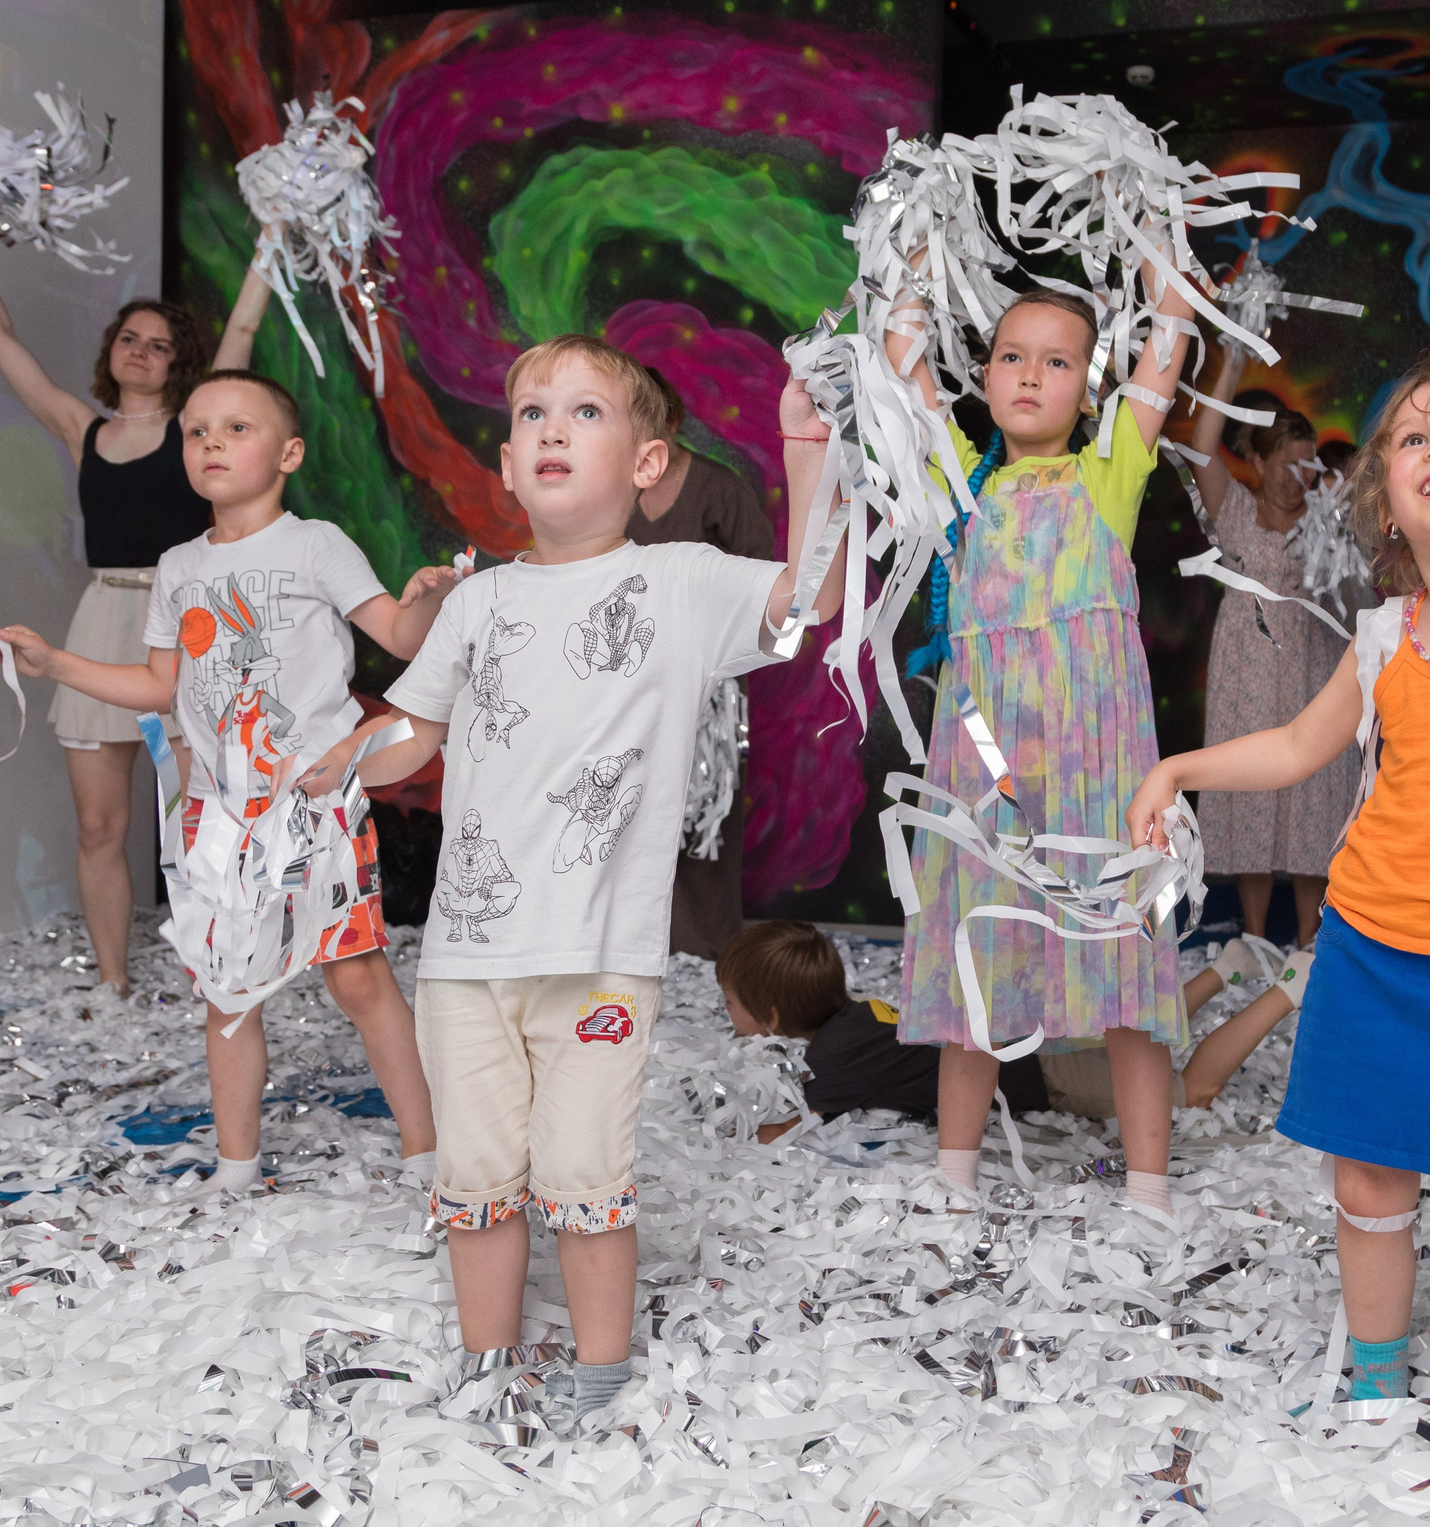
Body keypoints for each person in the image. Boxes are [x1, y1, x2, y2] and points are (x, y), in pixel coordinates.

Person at [344, 335, 846, 1431]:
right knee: (474, 1182)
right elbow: (411, 735)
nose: (552, 431)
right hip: (468, 960)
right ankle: (486, 1364)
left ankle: (602, 1376)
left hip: (604, 962)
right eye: (532, 416)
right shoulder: (476, 605)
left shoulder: (675, 583)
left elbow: (807, 595)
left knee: (585, 1176)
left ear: (648, 465)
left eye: (584, 413)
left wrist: (806, 446)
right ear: (510, 468)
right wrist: (329, 762)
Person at [1127, 357, 1430, 1452]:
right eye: (1411, 438)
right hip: (1366, 950)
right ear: (1385, 501)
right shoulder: (1383, 634)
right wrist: (1176, 770)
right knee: (1368, 1185)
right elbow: (1302, 745)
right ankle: (1374, 1388)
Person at [0, 370, 454, 1194]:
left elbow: (398, 633)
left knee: (358, 977)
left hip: (317, 803)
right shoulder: (177, 565)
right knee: (229, 994)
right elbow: (160, 685)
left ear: (289, 453)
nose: (211, 443)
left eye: (237, 428)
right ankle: (235, 1170)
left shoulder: (316, 544)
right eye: (198, 431)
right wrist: (55, 662)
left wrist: (426, 600)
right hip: (222, 818)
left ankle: (427, 1149)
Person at [889, 272, 1198, 1218]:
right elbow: (905, 371)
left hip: (1103, 769)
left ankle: (1148, 1187)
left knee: (1128, 961)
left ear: (1088, 388)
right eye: (1010, 357)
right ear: (983, 376)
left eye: (1057, 361)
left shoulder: (1110, 469)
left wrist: (1163, 276)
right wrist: (909, 264)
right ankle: (954, 1174)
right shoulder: (957, 479)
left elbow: (1167, 346)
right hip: (986, 776)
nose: (1029, 375)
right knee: (975, 952)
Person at [0, 214, 274, 993]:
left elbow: (244, 322)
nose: (143, 350)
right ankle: (113, 980)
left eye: (160, 343)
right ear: (112, 351)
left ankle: (216, 977)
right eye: (131, 337)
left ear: (180, 361)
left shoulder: (200, 425)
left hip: (189, 624)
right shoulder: (81, 427)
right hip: (102, 620)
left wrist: (275, 223)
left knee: (207, 819)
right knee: (100, 825)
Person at [714, 923, 1311, 1141]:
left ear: (770, 1017)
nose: (726, 1014)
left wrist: (732, 1127)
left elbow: (784, 1131)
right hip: (1031, 1034)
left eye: (732, 1003)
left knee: (1186, 1089)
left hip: (1044, 1076)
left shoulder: (835, 1058)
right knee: (1138, 1037)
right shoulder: (858, 1015)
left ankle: (1290, 989)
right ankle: (1224, 969)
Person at [1188, 359, 1360, 945]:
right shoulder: (1233, 508)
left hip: (1316, 666)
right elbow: (1201, 442)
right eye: (1284, 462)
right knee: (1250, 794)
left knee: (1317, 792)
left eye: (1306, 463)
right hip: (1248, 670)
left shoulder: (1328, 521)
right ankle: (1255, 936)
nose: (1296, 477)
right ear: (1257, 461)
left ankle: (1309, 940)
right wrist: (1231, 360)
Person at [624, 367, 773, 959]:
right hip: (624, 688)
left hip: (704, 691)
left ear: (675, 424)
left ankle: (707, 950)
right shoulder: (607, 491)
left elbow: (764, 587)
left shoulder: (719, 490)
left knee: (704, 819)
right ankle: (634, 947)